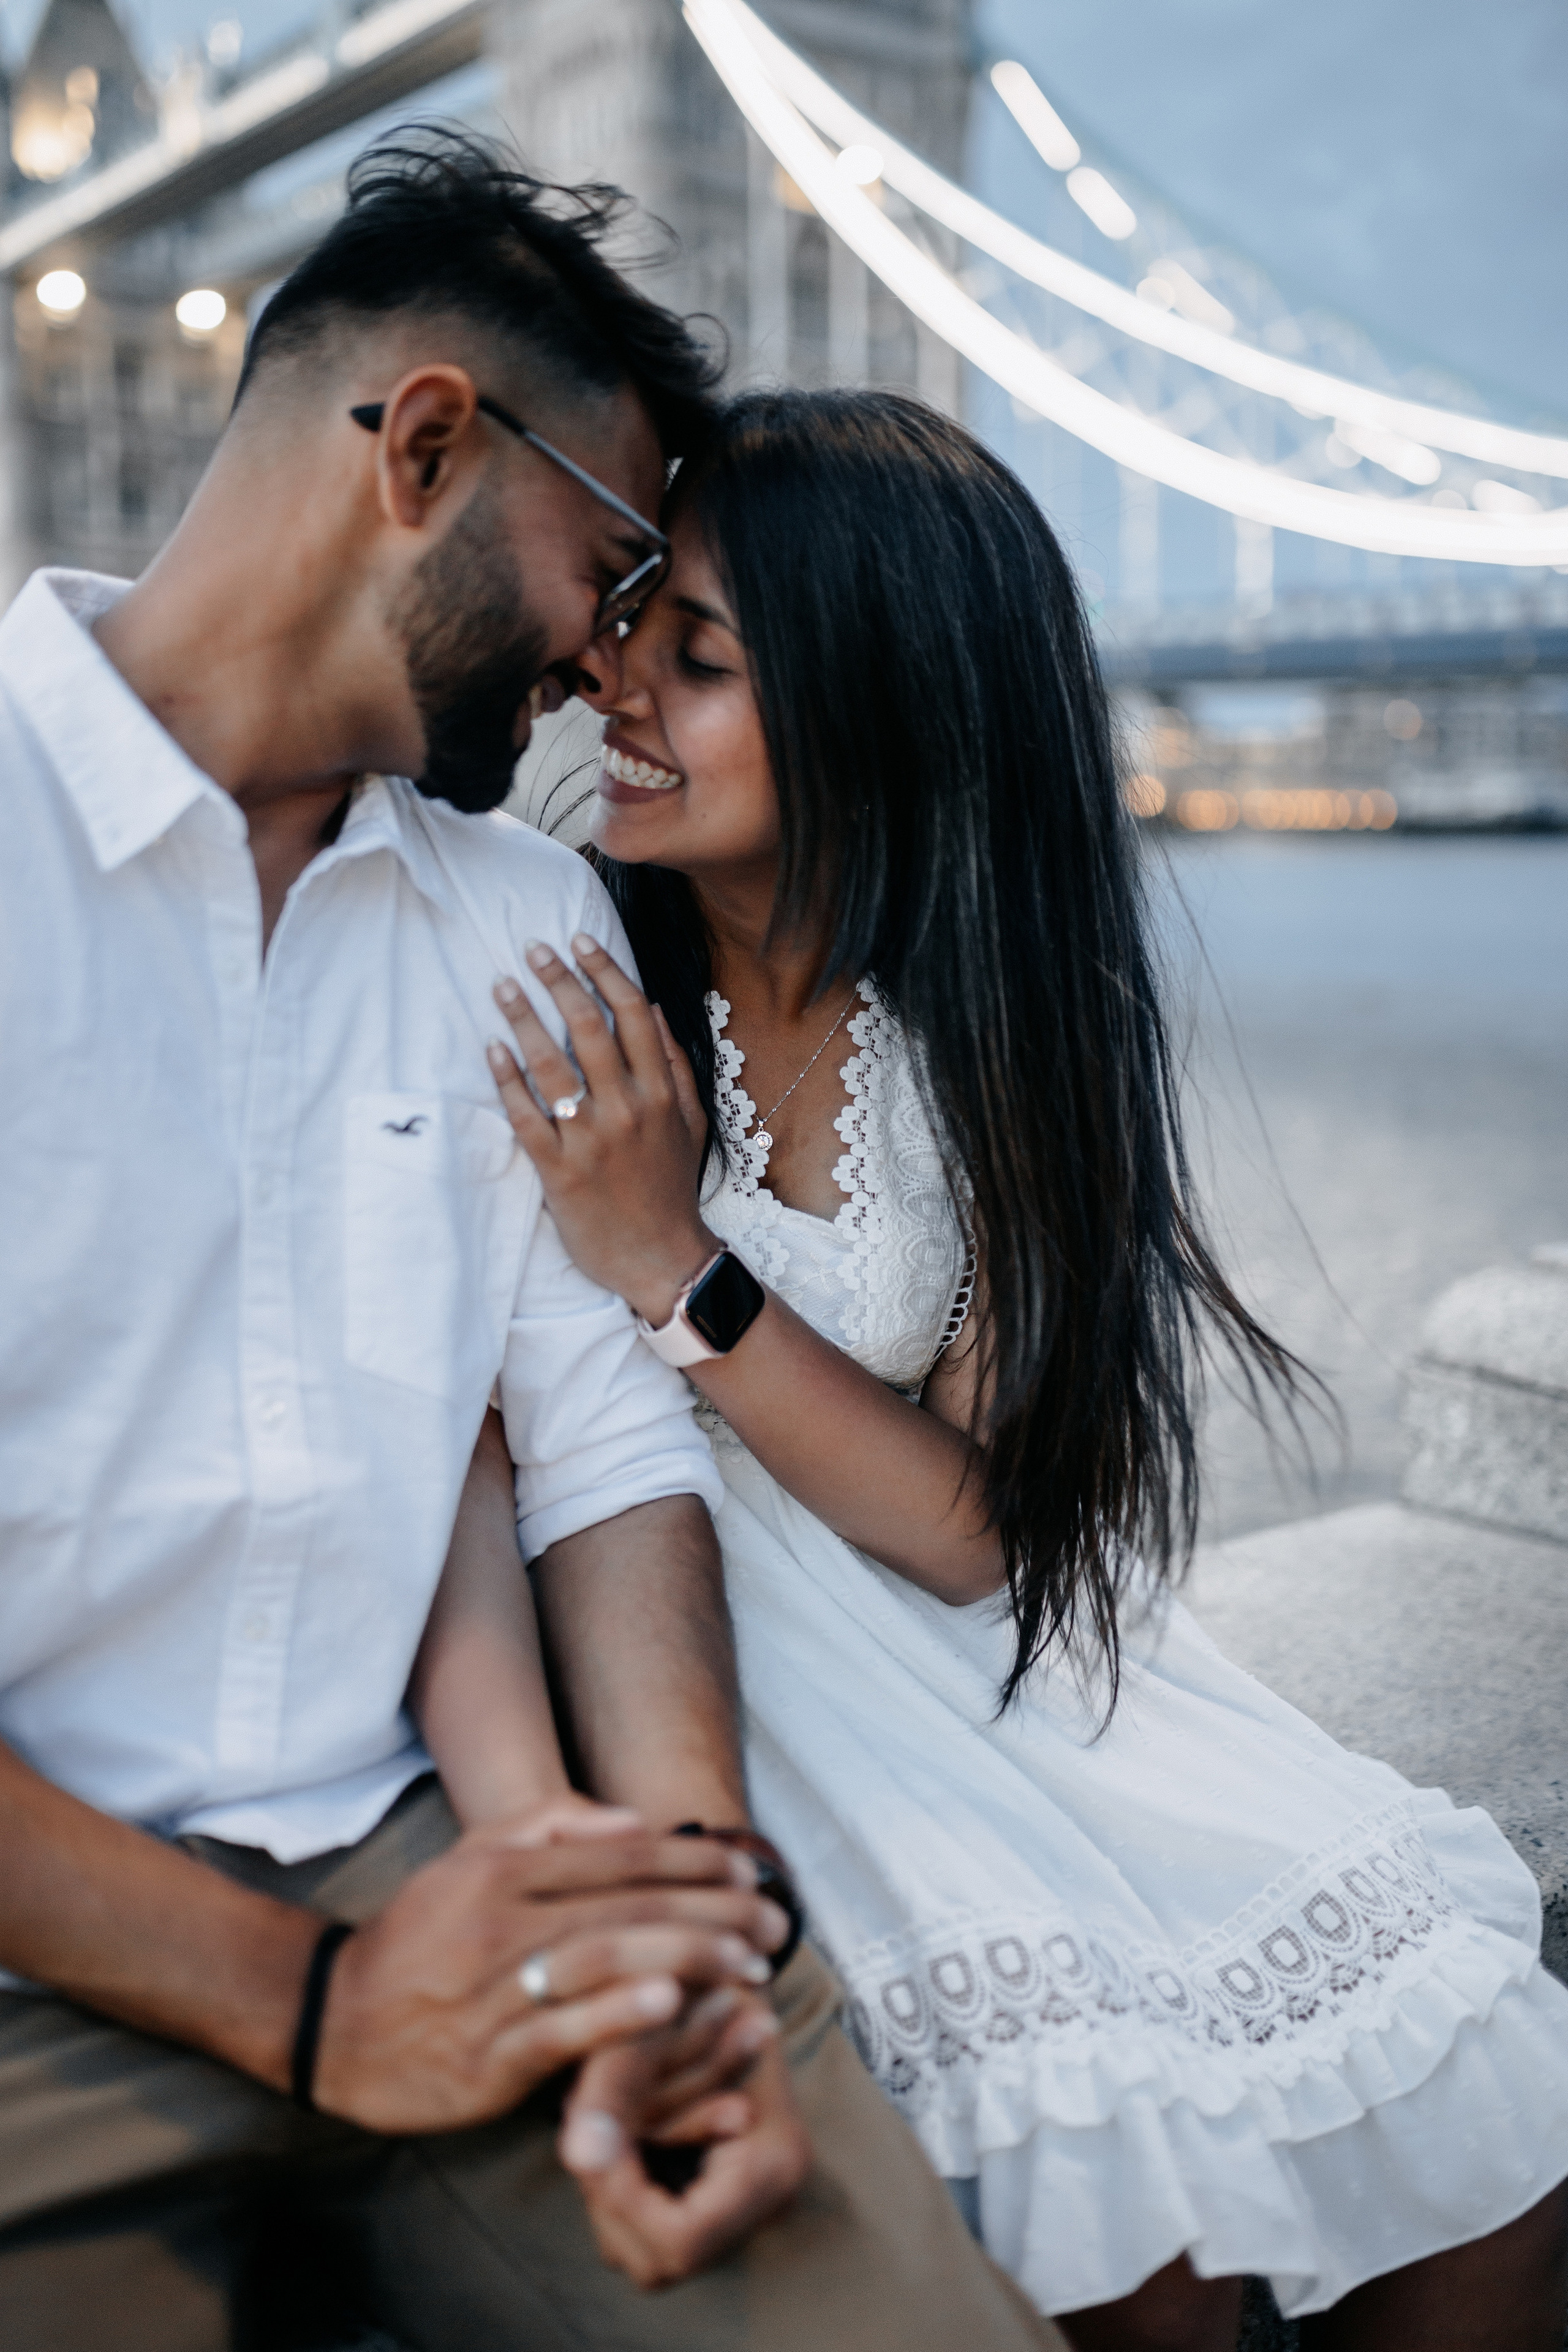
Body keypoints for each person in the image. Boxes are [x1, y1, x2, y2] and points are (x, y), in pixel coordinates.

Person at [0, 140, 1067, 2352]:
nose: (605, 669)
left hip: (464, 1875)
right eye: (613, 567)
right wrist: (315, 2005)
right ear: (422, 447)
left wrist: (678, 1931)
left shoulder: (524, 918)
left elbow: (596, 1455)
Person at [461, 386, 1568, 2351]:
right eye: (634, 615)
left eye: (696, 656)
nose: (615, 678)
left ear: (886, 711)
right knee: (1138, 2247)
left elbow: (982, 1534)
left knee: (1486, 2080)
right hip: (707, 1652)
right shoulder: (565, 966)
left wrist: (677, 1263)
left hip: (960, 1645)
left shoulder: (988, 1044)